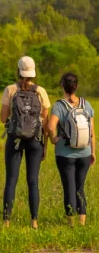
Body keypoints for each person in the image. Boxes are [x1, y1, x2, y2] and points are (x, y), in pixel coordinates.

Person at [0, 56, 50, 229]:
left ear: (18, 71)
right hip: (36, 141)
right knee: (33, 181)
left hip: (15, 139)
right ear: (33, 72)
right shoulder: (41, 92)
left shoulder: (10, 90)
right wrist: (45, 147)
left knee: (11, 180)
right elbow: (45, 123)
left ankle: (6, 221)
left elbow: (2, 118)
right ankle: (34, 221)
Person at [48, 72, 96, 227]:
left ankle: (71, 223)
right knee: (79, 188)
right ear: (77, 86)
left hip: (65, 153)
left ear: (62, 85)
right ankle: (82, 222)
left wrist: (54, 139)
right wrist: (93, 152)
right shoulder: (86, 104)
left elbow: (50, 126)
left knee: (69, 187)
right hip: (85, 153)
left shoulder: (59, 106)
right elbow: (92, 133)